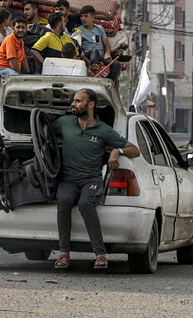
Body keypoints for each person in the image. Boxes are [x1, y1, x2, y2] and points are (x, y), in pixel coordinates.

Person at [53, 89, 140, 270]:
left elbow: (134, 150)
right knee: (64, 201)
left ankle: (100, 254)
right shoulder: (64, 123)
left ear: (90, 105)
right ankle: (63, 253)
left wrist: (117, 151)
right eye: (73, 101)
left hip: (91, 179)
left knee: (86, 204)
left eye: (78, 101)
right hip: (68, 179)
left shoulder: (104, 131)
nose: (73, 104)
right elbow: (42, 133)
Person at [75, 5, 120, 82]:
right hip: (87, 56)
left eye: (86, 16)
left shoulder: (99, 28)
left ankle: (108, 84)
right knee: (94, 51)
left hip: (100, 58)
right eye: (81, 16)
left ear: (92, 17)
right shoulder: (78, 31)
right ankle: (94, 68)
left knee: (116, 65)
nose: (83, 18)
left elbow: (106, 45)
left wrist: (107, 53)